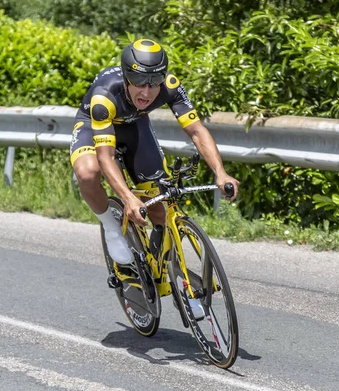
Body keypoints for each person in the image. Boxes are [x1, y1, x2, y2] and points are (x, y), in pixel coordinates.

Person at [70, 38, 239, 277]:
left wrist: (220, 172)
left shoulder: (171, 86)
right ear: (128, 77)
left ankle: (166, 269)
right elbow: (105, 157)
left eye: (154, 82)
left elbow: (197, 131)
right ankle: (111, 227)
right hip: (95, 126)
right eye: (139, 81)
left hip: (135, 126)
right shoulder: (105, 96)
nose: (146, 91)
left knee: (159, 204)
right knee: (88, 173)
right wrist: (128, 198)